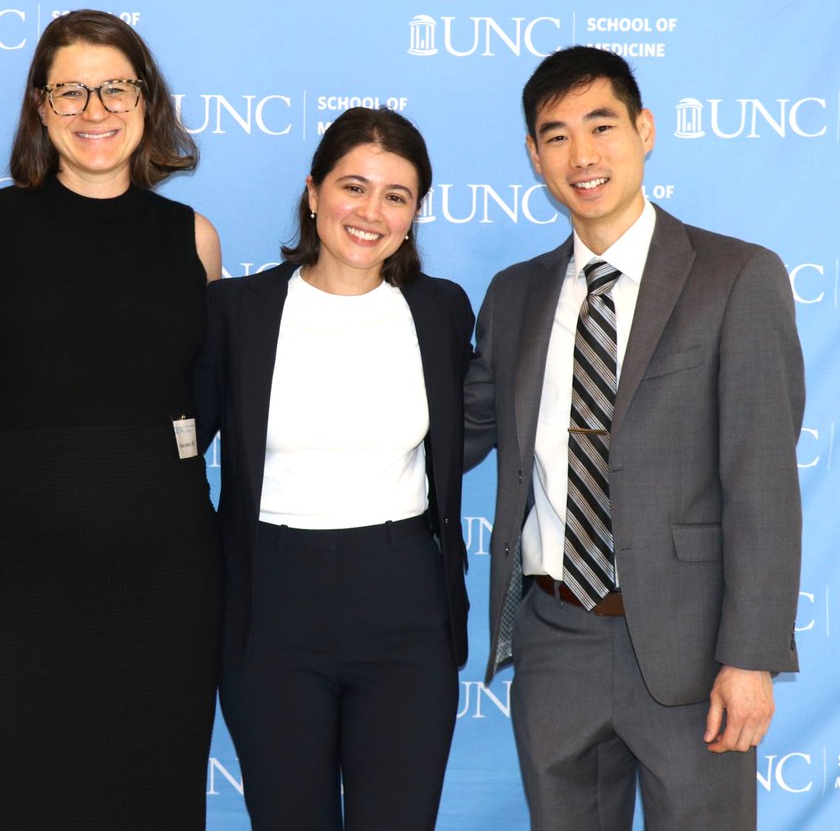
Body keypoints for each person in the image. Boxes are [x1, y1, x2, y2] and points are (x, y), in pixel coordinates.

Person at [464, 46, 803, 830]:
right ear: (533, 157)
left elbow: (762, 484)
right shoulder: (513, 297)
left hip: (692, 653)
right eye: (555, 136)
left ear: (644, 130)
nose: (582, 156)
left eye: (602, 126)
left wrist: (748, 658)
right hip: (555, 641)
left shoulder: (735, 277)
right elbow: (456, 433)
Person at [0, 9, 222, 829]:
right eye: (70, 91)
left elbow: (202, 404)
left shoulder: (193, 239)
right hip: (10, 580)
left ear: (147, 99)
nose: (94, 110)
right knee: (10, 794)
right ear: (38, 104)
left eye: (114, 87)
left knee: (150, 801)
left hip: (162, 581)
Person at [195, 107, 474, 830]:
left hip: (406, 601)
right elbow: (178, 448)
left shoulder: (441, 311)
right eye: (353, 187)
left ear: (414, 215)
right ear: (313, 192)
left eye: (396, 196)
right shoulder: (235, 311)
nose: (370, 212)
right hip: (271, 603)